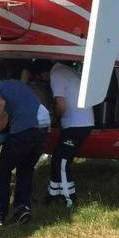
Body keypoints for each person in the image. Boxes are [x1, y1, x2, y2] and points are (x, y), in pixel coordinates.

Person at [0, 59, 47, 229]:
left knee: (1, 173)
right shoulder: (21, 86)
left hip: (24, 132)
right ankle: (22, 209)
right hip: (42, 131)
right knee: (25, 170)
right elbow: (8, 115)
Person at [46, 61, 95, 207]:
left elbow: (61, 105)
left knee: (62, 161)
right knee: (57, 157)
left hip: (76, 124)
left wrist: (55, 118)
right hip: (83, 122)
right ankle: (53, 193)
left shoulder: (56, 74)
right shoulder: (68, 70)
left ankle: (70, 199)